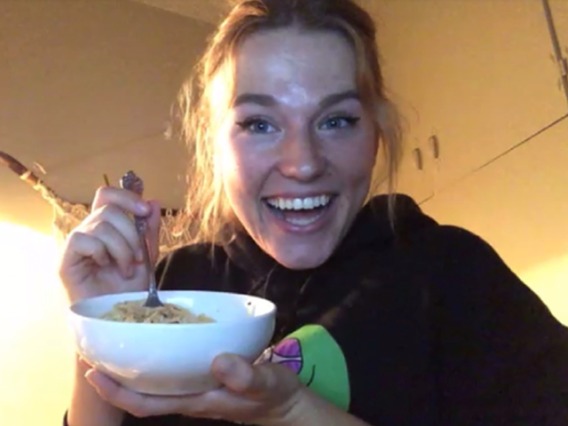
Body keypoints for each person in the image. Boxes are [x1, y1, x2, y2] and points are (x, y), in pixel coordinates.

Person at [58, 0, 568, 425]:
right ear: (214, 145)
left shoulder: (451, 273)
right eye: (260, 124)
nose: (302, 164)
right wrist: (102, 325)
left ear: (376, 134)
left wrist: (294, 409)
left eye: (337, 120)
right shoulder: (175, 285)